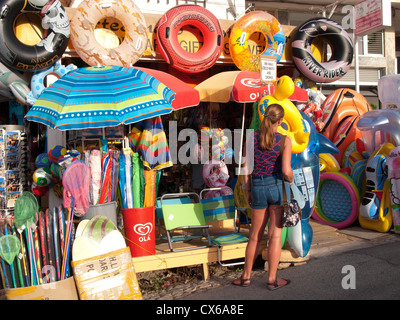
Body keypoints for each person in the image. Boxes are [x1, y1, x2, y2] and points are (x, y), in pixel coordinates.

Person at [232, 103, 293, 290]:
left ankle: (246, 277)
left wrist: (249, 189)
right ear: (280, 120)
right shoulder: (284, 140)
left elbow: (245, 169)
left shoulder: (251, 138)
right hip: (276, 188)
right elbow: (286, 170)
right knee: (275, 236)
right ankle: (272, 279)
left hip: (257, 187)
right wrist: (291, 180)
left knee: (254, 236)